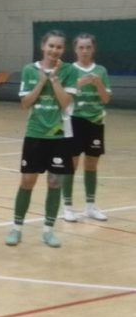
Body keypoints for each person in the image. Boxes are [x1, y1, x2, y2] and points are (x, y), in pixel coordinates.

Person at [6, 30, 78, 248]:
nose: (54, 50)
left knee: (55, 182)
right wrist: (40, 82)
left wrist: (54, 79)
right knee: (27, 181)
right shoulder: (30, 70)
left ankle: (48, 231)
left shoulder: (69, 71)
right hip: (35, 134)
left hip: (59, 135)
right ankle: (16, 228)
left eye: (59, 47)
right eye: (51, 46)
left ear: (63, 50)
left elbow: (66, 102)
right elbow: (25, 103)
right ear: (43, 47)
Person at [62, 33, 112, 222]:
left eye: (88, 47)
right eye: (81, 47)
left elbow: (106, 99)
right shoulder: (69, 70)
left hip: (96, 121)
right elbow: (63, 97)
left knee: (91, 164)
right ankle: (67, 207)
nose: (85, 51)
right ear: (75, 50)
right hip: (74, 120)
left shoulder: (101, 71)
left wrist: (98, 83)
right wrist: (79, 84)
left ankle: (90, 206)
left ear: (93, 49)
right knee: (71, 164)